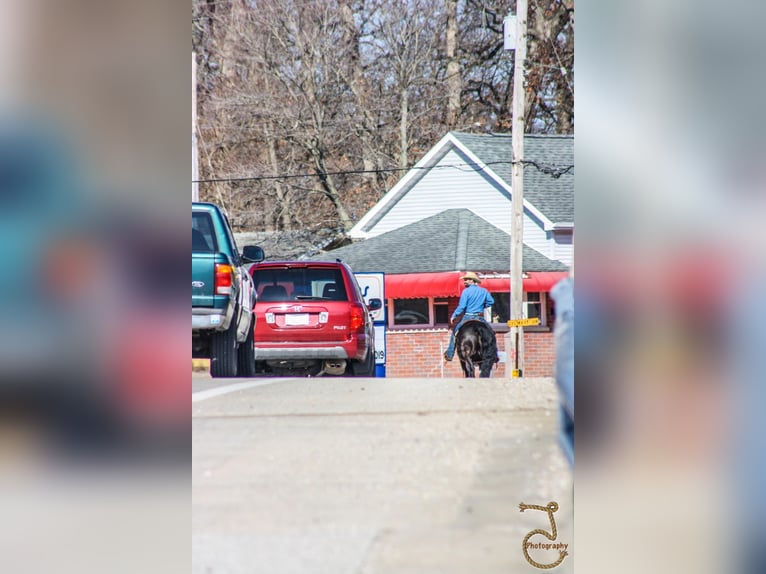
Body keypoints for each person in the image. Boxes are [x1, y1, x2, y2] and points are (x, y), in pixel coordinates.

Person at [443, 272, 494, 361]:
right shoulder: (484, 291)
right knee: (491, 333)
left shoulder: (466, 292)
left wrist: (454, 315)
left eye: (466, 280)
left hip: (468, 316)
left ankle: (449, 354)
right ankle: (494, 354)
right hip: (480, 317)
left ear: (472, 280)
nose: (464, 281)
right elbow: (491, 302)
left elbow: (462, 306)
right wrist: (482, 306)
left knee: (455, 332)